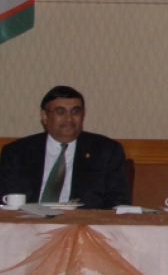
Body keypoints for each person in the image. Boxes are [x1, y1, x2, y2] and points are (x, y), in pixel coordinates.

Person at [0, 85, 131, 208]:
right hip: (28, 225)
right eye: (60, 111)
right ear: (45, 116)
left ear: (82, 115)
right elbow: (5, 197)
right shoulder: (17, 152)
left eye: (75, 111)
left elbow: (118, 202)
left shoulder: (106, 151)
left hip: (83, 226)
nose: (69, 118)